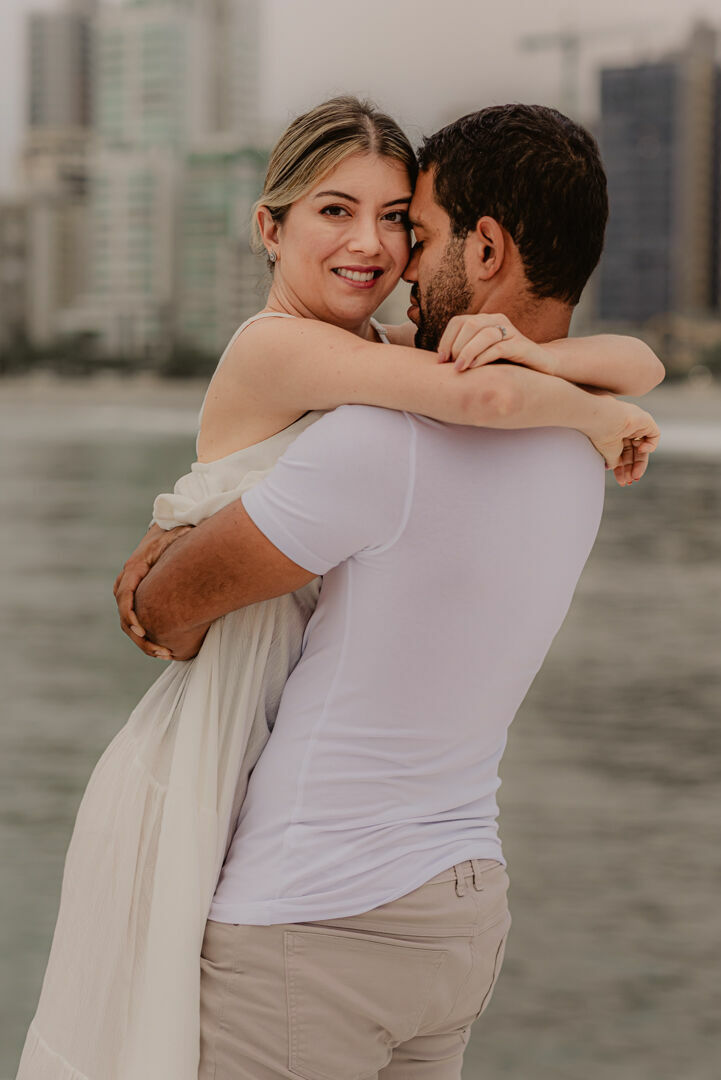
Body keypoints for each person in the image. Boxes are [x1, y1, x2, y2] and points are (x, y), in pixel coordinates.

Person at [16, 97, 661, 1080]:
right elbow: (603, 373)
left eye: (404, 221)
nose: (378, 246)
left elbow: (164, 613)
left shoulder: (380, 415)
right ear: (268, 227)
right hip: (455, 901)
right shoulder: (546, 443)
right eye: (334, 211)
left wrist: (547, 372)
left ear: (479, 248)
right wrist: (593, 411)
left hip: (311, 907)